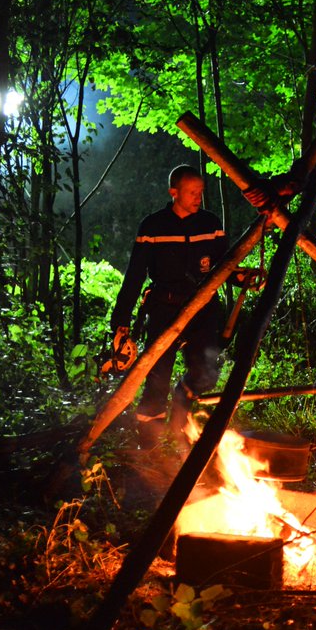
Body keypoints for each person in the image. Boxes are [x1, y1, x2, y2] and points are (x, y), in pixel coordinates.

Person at [110, 164, 229, 450]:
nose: (198, 198)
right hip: (164, 309)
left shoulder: (210, 224)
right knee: (157, 376)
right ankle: (149, 444)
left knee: (205, 372)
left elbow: (226, 264)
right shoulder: (153, 226)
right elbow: (135, 274)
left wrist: (241, 277)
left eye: (200, 192)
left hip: (202, 310)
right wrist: (121, 320)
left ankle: (181, 408)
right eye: (192, 192)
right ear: (173, 192)